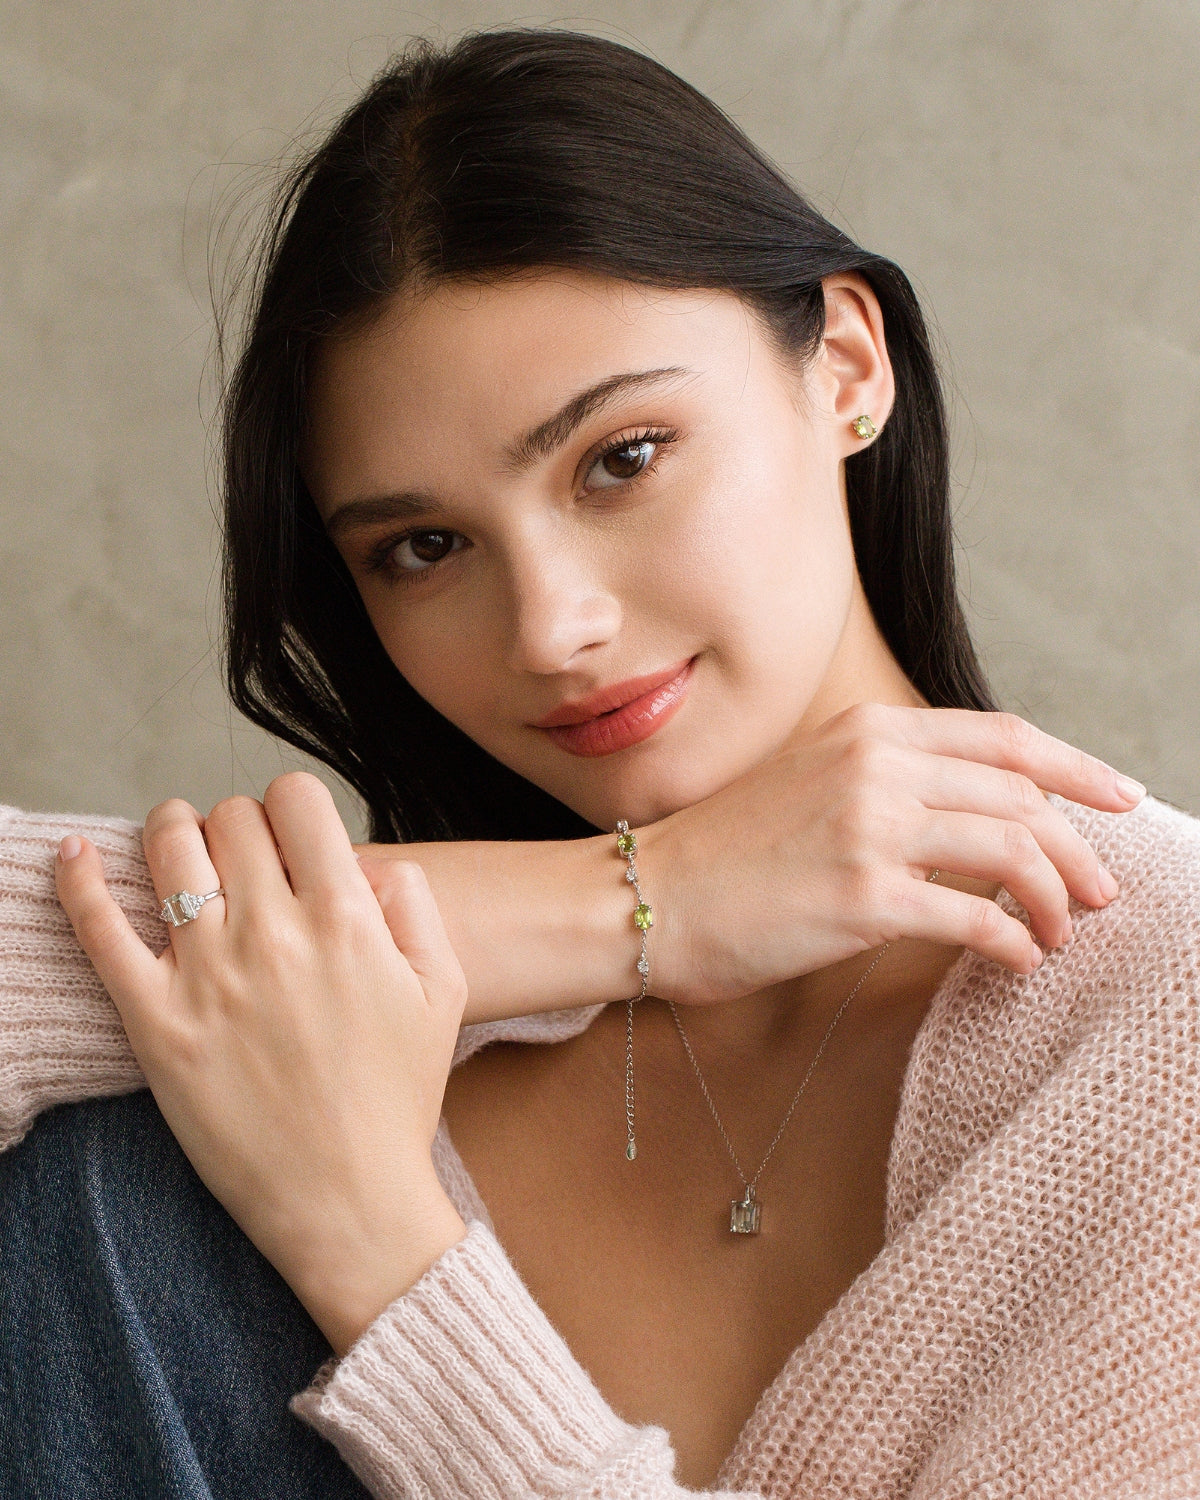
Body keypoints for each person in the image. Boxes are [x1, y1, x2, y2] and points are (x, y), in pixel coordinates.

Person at [1, 27, 1197, 1499]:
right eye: (425, 548)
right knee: (107, 1169)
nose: (554, 628)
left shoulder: (1159, 1023)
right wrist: (641, 908)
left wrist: (381, 1256)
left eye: (620, 458)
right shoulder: (382, 1011)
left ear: (844, 366)